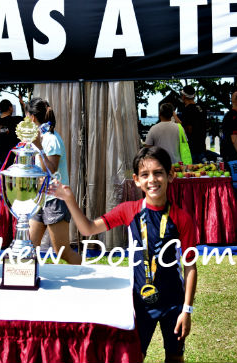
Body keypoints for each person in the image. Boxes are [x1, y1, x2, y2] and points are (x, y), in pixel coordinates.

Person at [51, 146, 197, 362]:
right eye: (145, 175)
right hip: (139, 302)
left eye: (158, 173)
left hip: (173, 303)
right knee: (134, 356)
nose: (152, 180)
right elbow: (88, 229)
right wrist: (69, 199)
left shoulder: (182, 218)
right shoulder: (129, 210)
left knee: (175, 357)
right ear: (136, 180)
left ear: (170, 175)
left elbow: (190, 266)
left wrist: (187, 309)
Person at [27, 97, 82, 265]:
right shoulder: (40, 138)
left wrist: (39, 147)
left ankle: (88, 272)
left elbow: (50, 170)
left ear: (32, 118)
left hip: (55, 200)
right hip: (39, 199)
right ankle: (28, 277)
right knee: (29, 248)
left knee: (63, 252)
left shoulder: (51, 139)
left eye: (25, 116)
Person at [176, 85, 207, 163]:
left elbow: (187, 130)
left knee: (192, 170)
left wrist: (174, 116)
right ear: (194, 96)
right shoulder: (201, 108)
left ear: (183, 96)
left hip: (192, 149)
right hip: (202, 147)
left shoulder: (187, 110)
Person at [0, 99, 23, 168]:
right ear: (10, 108)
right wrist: (22, 104)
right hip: (16, 155)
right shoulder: (17, 120)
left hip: (2, 156)